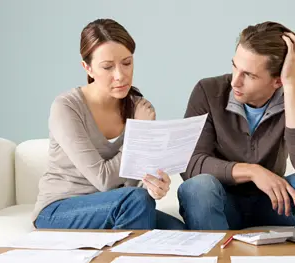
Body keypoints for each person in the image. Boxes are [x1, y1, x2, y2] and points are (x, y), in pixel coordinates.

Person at [178, 21, 295, 230]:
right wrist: (253, 172)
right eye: (235, 67)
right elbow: (190, 165)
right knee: (198, 188)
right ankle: (215, 261)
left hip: (274, 202)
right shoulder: (208, 90)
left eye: (249, 75)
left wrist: (291, 85)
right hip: (220, 201)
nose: (235, 81)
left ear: (277, 81)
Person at [33, 18, 185, 230]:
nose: (120, 76)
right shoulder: (66, 107)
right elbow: (104, 180)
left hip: (118, 205)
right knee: (137, 201)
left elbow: (132, 182)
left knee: (179, 231)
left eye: (127, 63)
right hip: (59, 210)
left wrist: (155, 187)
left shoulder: (139, 108)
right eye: (107, 67)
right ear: (87, 68)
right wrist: (137, 135)